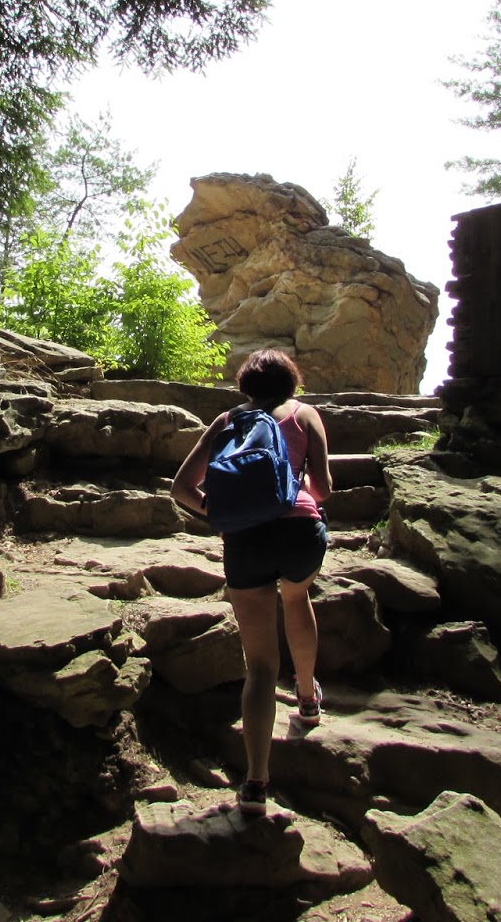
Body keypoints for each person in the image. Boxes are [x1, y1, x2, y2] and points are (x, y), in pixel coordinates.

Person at [170, 348, 331, 816]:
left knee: (259, 666)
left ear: (245, 384)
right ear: (291, 381)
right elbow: (323, 488)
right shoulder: (305, 415)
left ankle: (255, 783)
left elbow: (181, 489)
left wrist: (222, 514)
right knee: (298, 599)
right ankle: (307, 699)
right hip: (300, 531)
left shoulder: (227, 420)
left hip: (246, 539)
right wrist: (301, 496)